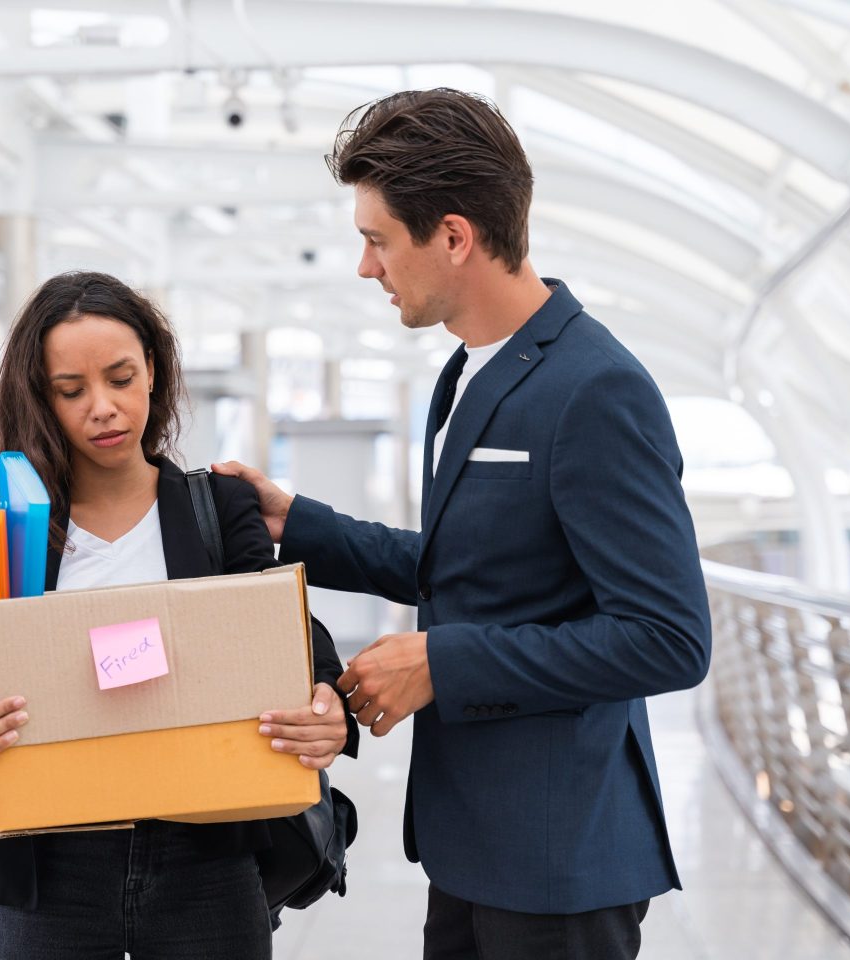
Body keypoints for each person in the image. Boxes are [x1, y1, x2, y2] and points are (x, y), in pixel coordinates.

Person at [213, 88, 711, 960]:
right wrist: (300, 525)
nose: (367, 267)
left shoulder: (597, 390)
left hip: (561, 863)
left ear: (452, 236)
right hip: (471, 842)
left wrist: (444, 661)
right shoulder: (466, 373)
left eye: (376, 240)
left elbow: (669, 638)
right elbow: (474, 566)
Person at [0, 271, 356, 960]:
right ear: (41, 398)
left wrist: (329, 700)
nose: (103, 408)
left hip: (206, 863)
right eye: (71, 391)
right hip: (48, 869)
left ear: (153, 370)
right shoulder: (5, 524)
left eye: (121, 378)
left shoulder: (218, 510)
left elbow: (288, 630)